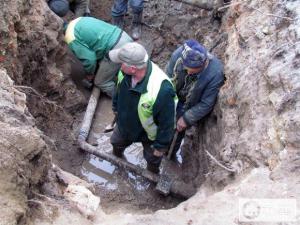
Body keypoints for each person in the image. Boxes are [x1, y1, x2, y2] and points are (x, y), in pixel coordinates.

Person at [109, 42, 177, 173]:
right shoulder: (124, 73)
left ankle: (152, 174)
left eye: (121, 62)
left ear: (133, 68)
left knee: (153, 158)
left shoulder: (162, 89)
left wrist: (161, 146)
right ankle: (118, 162)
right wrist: (115, 107)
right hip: (125, 125)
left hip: (149, 134)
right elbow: (118, 90)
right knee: (116, 143)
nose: (119, 65)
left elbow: (167, 122)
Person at [165, 39, 224, 161]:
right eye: (185, 68)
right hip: (173, 94)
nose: (187, 71)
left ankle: (169, 156)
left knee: (177, 130)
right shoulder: (179, 55)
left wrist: (187, 118)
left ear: (203, 65)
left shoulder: (215, 73)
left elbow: (206, 103)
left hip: (189, 103)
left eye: (191, 69)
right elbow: (167, 77)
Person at [64, 17, 133, 96]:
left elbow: (89, 59)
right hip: (123, 36)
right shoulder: (78, 20)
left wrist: (89, 74)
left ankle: (122, 99)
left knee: (101, 82)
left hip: (116, 48)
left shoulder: (70, 37)